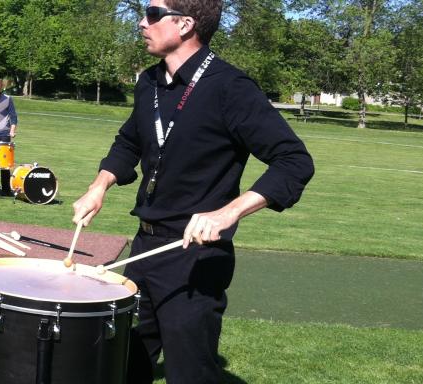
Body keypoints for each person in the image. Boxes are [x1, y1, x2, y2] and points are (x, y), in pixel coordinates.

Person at [71, 1, 314, 383]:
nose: (141, 22)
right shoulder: (148, 82)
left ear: (185, 24)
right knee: (121, 364)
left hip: (194, 257)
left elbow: (294, 162)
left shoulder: (231, 88)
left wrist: (227, 213)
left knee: (190, 373)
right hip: (143, 249)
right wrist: (98, 186)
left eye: (152, 14)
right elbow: (128, 142)